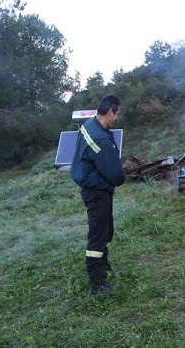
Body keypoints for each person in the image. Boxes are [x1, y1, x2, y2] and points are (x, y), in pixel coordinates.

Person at [70, 95, 125, 293]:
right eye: (117, 114)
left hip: (94, 186)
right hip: (97, 191)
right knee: (98, 235)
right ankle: (97, 281)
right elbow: (116, 174)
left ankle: (104, 267)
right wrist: (120, 174)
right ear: (109, 112)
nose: (117, 118)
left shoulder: (90, 124)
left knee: (106, 231)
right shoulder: (100, 138)